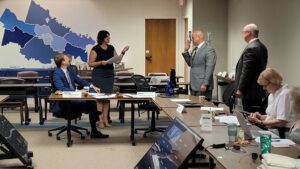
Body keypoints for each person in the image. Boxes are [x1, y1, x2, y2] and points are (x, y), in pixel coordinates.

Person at [52, 53, 109, 139]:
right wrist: (77, 91)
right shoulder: (57, 73)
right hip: (65, 101)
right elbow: (61, 88)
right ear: (63, 62)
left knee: (91, 101)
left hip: (75, 96)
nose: (69, 58)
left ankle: (94, 125)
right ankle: (95, 119)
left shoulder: (70, 70)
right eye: (66, 58)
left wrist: (91, 86)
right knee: (90, 104)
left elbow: (79, 80)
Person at [88, 30, 129, 128]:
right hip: (99, 74)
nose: (109, 38)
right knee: (99, 98)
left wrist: (123, 52)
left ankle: (106, 120)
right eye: (107, 37)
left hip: (109, 75)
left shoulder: (111, 48)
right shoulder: (95, 49)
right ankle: (100, 120)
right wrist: (101, 62)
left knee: (106, 99)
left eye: (109, 37)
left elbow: (118, 61)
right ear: (102, 38)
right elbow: (90, 63)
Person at [248, 68, 292, 138]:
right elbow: (273, 116)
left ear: (274, 82)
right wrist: (261, 117)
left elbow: (281, 122)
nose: (264, 88)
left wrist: (260, 122)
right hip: (274, 131)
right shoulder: (272, 95)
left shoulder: (284, 94)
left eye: (265, 85)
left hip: (283, 133)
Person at [235, 23, 268, 112]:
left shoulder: (251, 48)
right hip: (258, 89)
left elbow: (247, 71)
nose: (243, 35)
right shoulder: (262, 46)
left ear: (248, 33)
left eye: (243, 32)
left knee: (249, 116)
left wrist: (240, 88)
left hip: (249, 91)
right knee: (256, 115)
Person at [182, 30, 217, 100]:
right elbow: (191, 64)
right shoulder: (195, 49)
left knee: (203, 108)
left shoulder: (209, 50)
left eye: (193, 37)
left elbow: (209, 68)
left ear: (199, 37)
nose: (191, 40)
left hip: (202, 85)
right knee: (194, 107)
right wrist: (186, 51)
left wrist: (205, 83)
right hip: (194, 84)